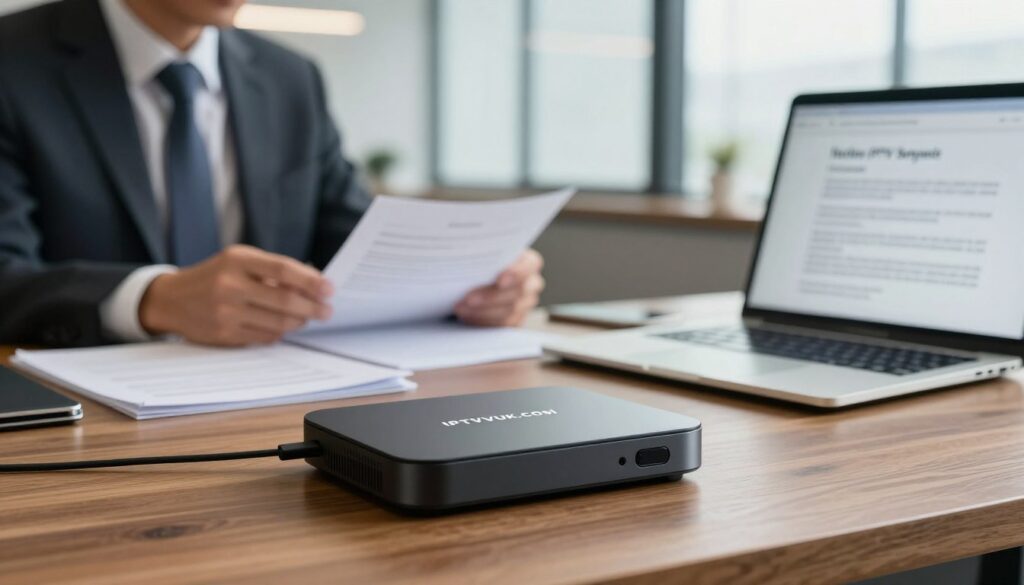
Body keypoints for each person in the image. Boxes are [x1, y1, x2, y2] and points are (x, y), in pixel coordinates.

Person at [0, 0, 545, 347]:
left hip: (272, 405)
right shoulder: (13, 60)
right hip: (76, 426)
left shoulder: (290, 78)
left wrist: (471, 282)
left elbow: (353, 242)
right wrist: (155, 299)